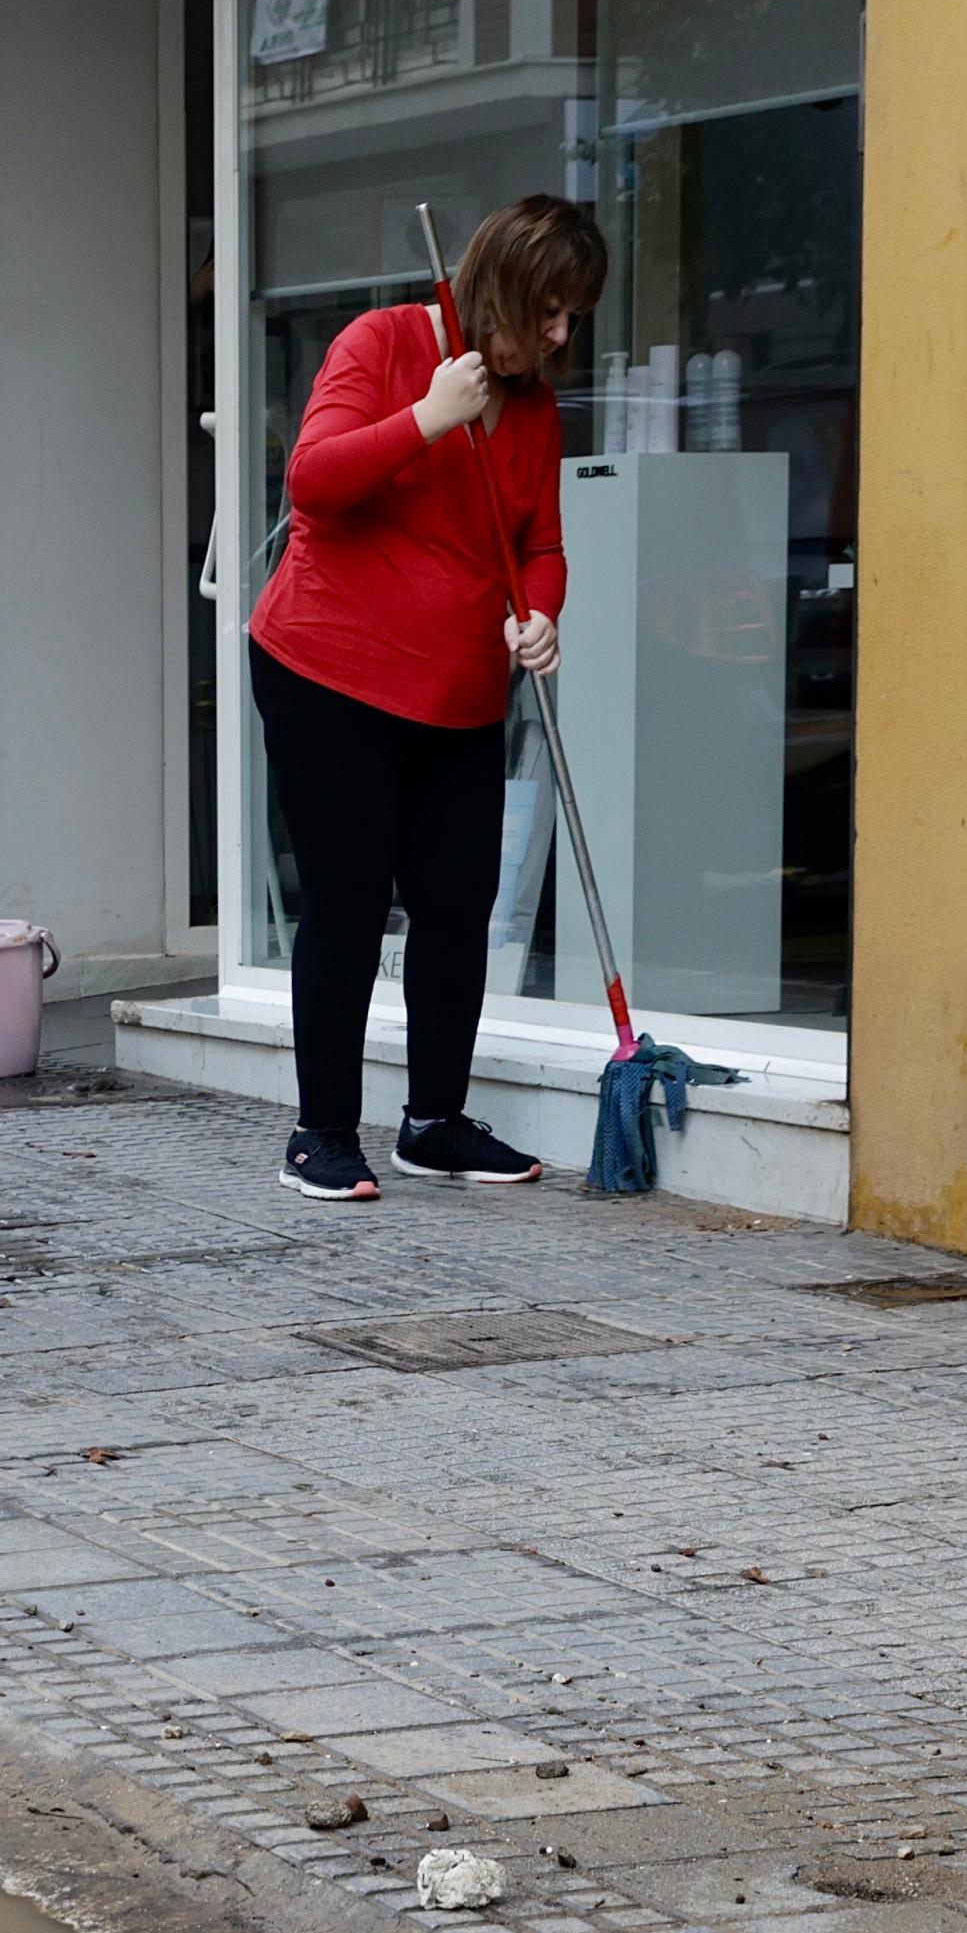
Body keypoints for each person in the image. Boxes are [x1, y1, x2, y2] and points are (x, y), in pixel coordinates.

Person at [243, 192, 606, 1203]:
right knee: (349, 900)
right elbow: (311, 480)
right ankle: (319, 1130)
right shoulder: (385, 342)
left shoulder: (534, 412)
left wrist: (537, 614)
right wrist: (425, 419)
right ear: (496, 288)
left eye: (573, 314)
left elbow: (540, 542)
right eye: (547, 310)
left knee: (456, 906)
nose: (559, 333)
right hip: (328, 667)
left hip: (452, 689)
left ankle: (432, 1121)